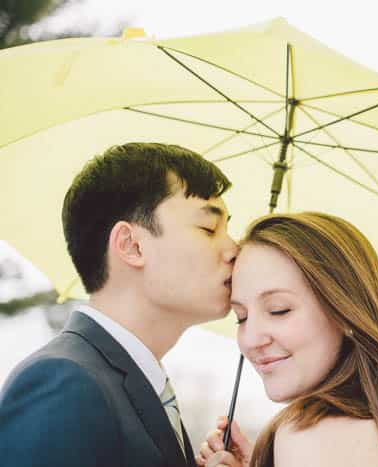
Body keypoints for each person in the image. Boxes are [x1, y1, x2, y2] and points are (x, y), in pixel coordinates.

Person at [0, 143, 238, 467]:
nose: (234, 248)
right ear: (131, 245)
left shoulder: (138, 385)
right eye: (209, 229)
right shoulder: (65, 383)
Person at [197, 212, 378, 467]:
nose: (251, 339)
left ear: (346, 312)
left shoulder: (312, 434)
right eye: (241, 317)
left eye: (279, 310)